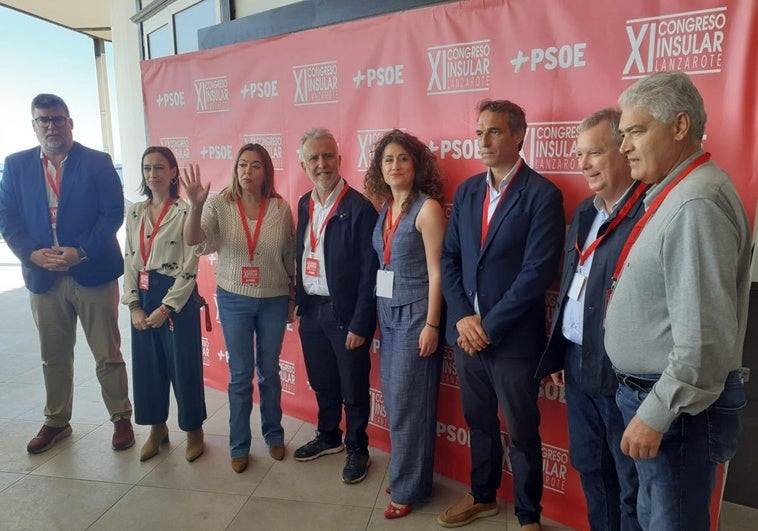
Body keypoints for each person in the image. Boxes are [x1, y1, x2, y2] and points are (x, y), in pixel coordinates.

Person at [605, 71, 750, 530]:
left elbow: (704, 339)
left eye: (636, 131)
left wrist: (656, 412)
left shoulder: (695, 204)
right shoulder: (675, 193)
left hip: (676, 414)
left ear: (680, 126)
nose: (624, 146)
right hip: (659, 403)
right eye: (622, 134)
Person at [439, 100, 564, 530]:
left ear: (518, 136)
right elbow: (450, 258)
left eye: (493, 132)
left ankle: (529, 516)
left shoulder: (543, 195)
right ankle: (483, 496)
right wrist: (461, 319)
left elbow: (536, 274)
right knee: (478, 422)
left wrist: (487, 327)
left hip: (512, 341)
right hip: (468, 335)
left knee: (523, 432)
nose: (484, 141)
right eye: (479, 132)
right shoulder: (469, 191)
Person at [0, 93, 134, 453]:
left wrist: (81, 252)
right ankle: (56, 421)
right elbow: (7, 217)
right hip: (44, 278)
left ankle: (121, 418)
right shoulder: (15, 165)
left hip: (92, 272)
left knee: (108, 352)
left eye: (58, 119)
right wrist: (31, 254)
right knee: (53, 355)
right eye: (43, 120)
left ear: (70, 122)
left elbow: (112, 213)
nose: (51, 126)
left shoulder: (97, 161)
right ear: (33, 126)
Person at [535, 109, 643, 531]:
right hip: (578, 364)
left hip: (623, 371)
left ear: (624, 150)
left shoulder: (647, 211)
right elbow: (571, 287)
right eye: (580, 154)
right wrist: (562, 351)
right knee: (591, 468)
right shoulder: (584, 212)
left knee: (629, 478)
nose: (582, 164)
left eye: (594, 152)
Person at [181, 143, 296, 473]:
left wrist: (291, 298)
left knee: (270, 371)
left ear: (266, 172)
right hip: (233, 299)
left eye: (255, 165)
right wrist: (195, 206)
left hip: (274, 299)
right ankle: (239, 444)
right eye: (242, 165)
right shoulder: (219, 204)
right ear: (235, 170)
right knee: (241, 375)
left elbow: (289, 258)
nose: (248, 171)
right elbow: (196, 242)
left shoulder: (279, 209)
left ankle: (274, 434)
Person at [364, 129, 446, 518]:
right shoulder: (385, 208)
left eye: (402, 159)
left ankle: (408, 488)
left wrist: (432, 324)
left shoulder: (427, 208)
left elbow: (437, 272)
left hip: (416, 316)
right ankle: (411, 478)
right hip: (388, 313)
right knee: (397, 402)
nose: (394, 166)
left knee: (409, 404)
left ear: (416, 165)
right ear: (380, 169)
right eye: (387, 160)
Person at [293, 127, 378, 484]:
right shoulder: (303, 203)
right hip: (311, 309)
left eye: (328, 156)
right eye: (313, 158)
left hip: (344, 314)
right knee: (322, 381)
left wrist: (361, 323)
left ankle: (357, 447)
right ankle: (329, 436)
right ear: (303, 164)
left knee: (353, 386)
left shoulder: (359, 208)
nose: (321, 164)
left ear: (340, 160)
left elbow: (369, 273)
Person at [122, 146, 207, 463]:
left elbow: (191, 265)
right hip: (143, 295)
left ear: (173, 172)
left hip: (175, 298)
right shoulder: (135, 213)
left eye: (159, 168)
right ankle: (157, 428)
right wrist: (133, 305)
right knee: (148, 368)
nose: (152, 174)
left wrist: (166, 307)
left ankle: (193, 431)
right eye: (147, 168)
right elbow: (129, 258)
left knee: (183, 367)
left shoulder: (186, 211)